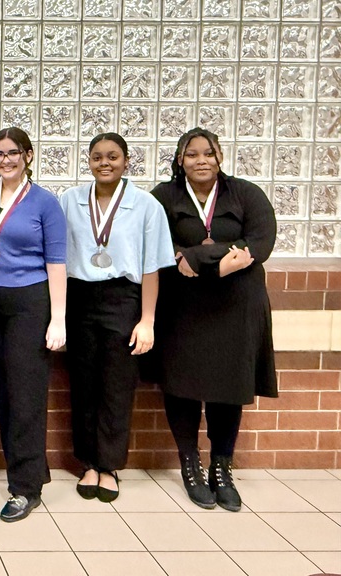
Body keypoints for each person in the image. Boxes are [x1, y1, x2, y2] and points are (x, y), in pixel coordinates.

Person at [150, 127, 277, 511]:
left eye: (208, 153)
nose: (201, 160)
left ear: (220, 156)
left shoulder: (245, 194)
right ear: (179, 160)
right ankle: (190, 464)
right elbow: (153, 241)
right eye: (191, 154)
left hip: (235, 307)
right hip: (182, 307)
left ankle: (222, 467)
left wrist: (200, 256)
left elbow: (262, 241)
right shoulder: (163, 196)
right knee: (183, 385)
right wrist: (207, 257)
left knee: (228, 386)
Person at [58, 133, 175, 502]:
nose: (104, 162)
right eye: (96, 157)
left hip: (123, 298)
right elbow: (57, 258)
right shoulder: (70, 200)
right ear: (88, 161)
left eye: (112, 156)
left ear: (126, 161)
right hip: (79, 296)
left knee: (117, 385)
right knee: (83, 383)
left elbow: (153, 267)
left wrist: (147, 320)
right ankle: (88, 462)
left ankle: (108, 466)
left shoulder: (145, 205)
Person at [0, 127, 66, 522]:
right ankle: (31, 468)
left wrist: (58, 318)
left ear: (27, 155)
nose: (5, 160)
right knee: (4, 390)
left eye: (13, 153)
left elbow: (56, 262)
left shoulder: (45, 202)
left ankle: (25, 488)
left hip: (30, 302)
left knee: (26, 393)